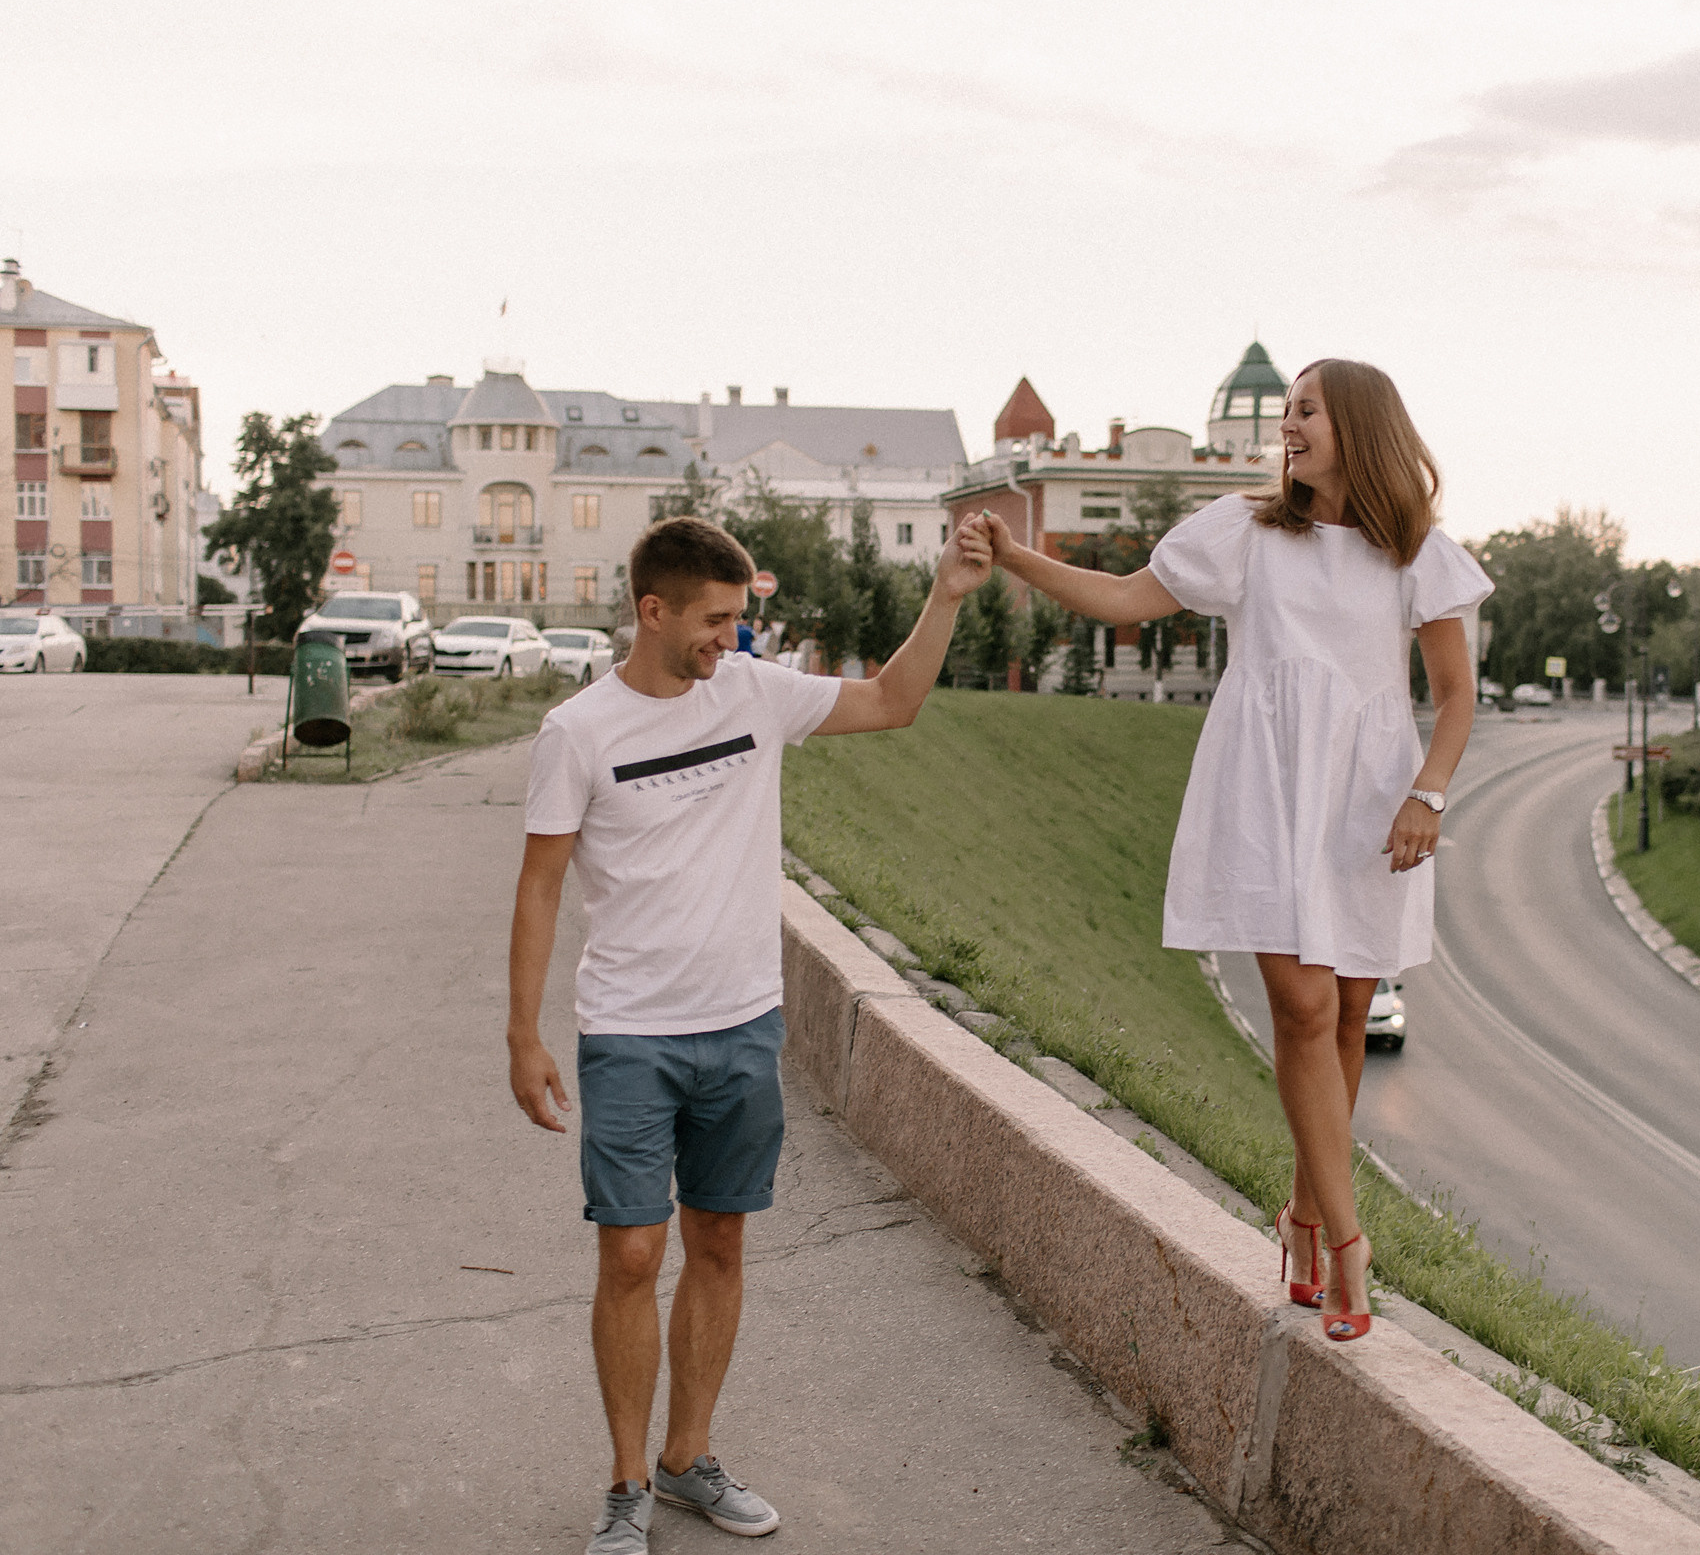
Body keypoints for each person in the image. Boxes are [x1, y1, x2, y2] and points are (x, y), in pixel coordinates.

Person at [972, 358, 1488, 1343]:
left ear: (1361, 428)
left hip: (1370, 799)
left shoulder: (1418, 552)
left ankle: (1303, 1218)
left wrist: (1428, 793)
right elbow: (1123, 599)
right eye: (1286, 411)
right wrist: (1015, 558)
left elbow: (1457, 695)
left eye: (1307, 411)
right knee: (1303, 1008)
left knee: (1348, 1017)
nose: (1288, 426)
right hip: (1265, 788)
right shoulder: (1247, 532)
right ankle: (1350, 1246)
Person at [508, 514, 991, 1553]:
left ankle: (688, 1458)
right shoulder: (578, 732)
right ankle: (627, 1483)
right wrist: (522, 1035)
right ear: (653, 611)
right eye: (715, 619)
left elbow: (894, 701)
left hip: (742, 1025)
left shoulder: (754, 694)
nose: (730, 637)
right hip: (629, 1033)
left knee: (719, 1241)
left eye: (737, 618)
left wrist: (946, 593)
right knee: (631, 1255)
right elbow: (539, 886)